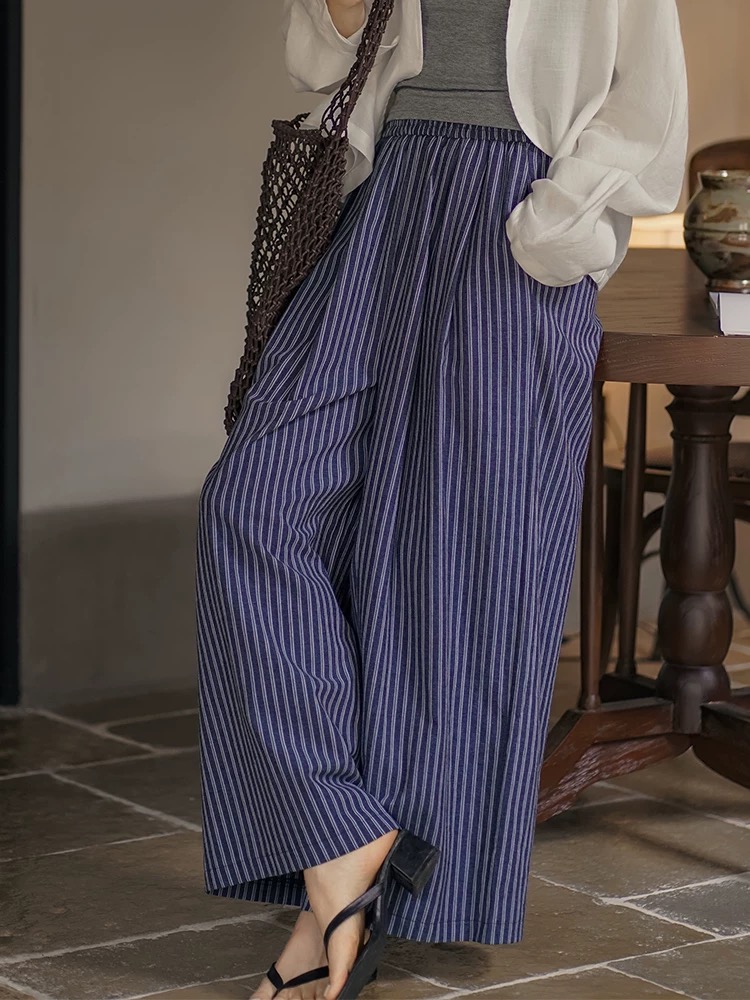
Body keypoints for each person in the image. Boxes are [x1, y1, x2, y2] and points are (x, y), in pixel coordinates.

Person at [195, 1, 689, 998]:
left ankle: (341, 905)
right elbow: (322, 53)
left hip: (514, 212)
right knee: (251, 506)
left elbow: (650, 101)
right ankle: (342, 833)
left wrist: (556, 220)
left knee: (452, 565)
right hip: (388, 200)